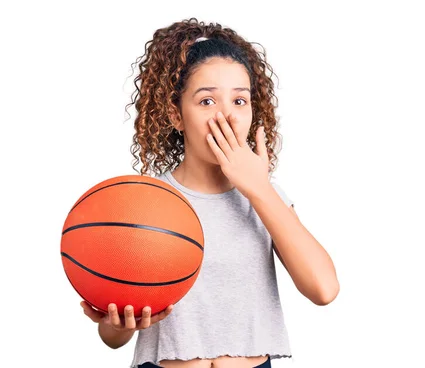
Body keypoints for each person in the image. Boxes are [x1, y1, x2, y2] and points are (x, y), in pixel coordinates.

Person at [79, 18, 339, 368]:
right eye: (206, 102)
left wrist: (258, 188)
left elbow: (324, 289)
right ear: (175, 114)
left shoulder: (265, 197)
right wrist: (118, 325)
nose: (226, 117)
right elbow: (114, 337)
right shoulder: (146, 201)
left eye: (240, 101)